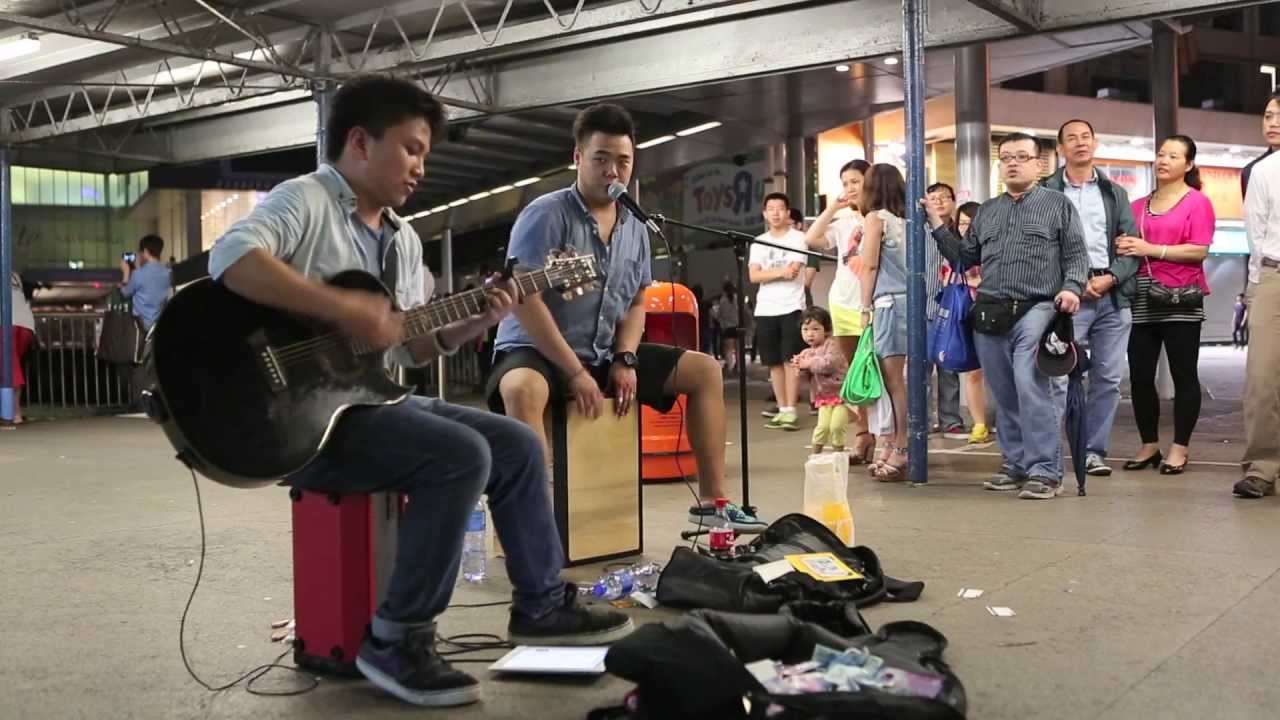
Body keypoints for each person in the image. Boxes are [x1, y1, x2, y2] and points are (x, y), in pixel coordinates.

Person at [206, 76, 632, 708]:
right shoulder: (307, 200)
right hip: (301, 418)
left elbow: (406, 347)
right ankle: (397, 638)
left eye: (425, 154)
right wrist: (342, 307)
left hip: (371, 401)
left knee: (514, 442)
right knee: (460, 454)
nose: (419, 167)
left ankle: (540, 604)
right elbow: (231, 257)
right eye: (410, 149)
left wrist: (479, 318)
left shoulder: (403, 241)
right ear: (358, 142)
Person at [487, 103, 768, 534]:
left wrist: (625, 358)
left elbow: (637, 301)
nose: (612, 172)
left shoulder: (635, 225)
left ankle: (712, 503)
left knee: (705, 370)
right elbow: (524, 299)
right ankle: (536, 524)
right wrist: (575, 371)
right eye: (601, 160)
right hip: (536, 350)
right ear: (578, 158)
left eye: (623, 162)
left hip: (601, 351)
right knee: (522, 388)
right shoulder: (546, 214)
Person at [925, 132, 1088, 500]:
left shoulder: (1058, 205)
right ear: (1000, 166)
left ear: (1037, 164)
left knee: (1031, 387)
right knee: (1004, 394)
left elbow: (1077, 255)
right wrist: (937, 224)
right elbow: (966, 258)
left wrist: (1072, 288)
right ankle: (1015, 465)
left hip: (1039, 307)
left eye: (1021, 157)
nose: (1013, 163)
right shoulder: (988, 211)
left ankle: (1046, 471)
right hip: (990, 311)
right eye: (1007, 157)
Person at [1043, 118, 1142, 478]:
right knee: (1056, 377)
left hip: (1111, 297)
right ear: (1060, 149)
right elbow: (1041, 248)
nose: (1080, 143)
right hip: (1066, 296)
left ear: (1095, 144)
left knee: (1108, 379)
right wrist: (1071, 282)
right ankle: (1048, 453)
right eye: (1072, 138)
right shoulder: (1047, 191)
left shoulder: (1115, 193)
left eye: (1086, 137)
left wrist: (1111, 278)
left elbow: (1131, 247)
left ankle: (1093, 451)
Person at [1120, 135, 1214, 476]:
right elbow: (1129, 246)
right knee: (1140, 375)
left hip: (1181, 296)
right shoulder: (1137, 205)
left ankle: (1180, 447)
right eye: (1161, 154)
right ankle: (1149, 445)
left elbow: (1199, 250)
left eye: (1173, 156)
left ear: (1187, 165)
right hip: (1142, 295)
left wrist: (1151, 249)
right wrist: (1126, 245)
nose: (1164, 161)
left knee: (1183, 374)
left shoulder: (1197, 202)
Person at [803, 159, 876, 463]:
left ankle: (883, 437)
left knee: (877, 374)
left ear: (869, 181)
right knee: (852, 377)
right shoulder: (844, 218)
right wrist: (833, 208)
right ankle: (862, 436)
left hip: (872, 302)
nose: (850, 188)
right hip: (844, 303)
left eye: (855, 181)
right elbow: (812, 239)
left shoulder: (880, 217)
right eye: (845, 183)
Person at [1235, 93, 1280, 499]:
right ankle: (1263, 466)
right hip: (1273, 277)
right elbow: (1256, 234)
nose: (1273, 122)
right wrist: (1254, 291)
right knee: (1262, 378)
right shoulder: (1262, 171)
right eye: (1268, 115)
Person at [857, 163, 912, 481]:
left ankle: (901, 446)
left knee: (893, 382)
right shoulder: (908, 220)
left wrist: (864, 308)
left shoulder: (875, 219)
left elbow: (869, 267)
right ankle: (894, 443)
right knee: (902, 380)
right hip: (912, 303)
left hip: (888, 303)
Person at [750, 192, 809, 431]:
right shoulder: (758, 242)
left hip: (792, 306)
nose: (775, 213)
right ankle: (782, 408)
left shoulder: (798, 238)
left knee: (790, 360)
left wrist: (771, 274)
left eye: (780, 208)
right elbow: (754, 276)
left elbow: (794, 271)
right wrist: (780, 273)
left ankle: (791, 410)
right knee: (773, 362)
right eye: (770, 208)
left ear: (787, 213)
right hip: (765, 308)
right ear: (765, 214)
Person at [926, 182, 967, 440]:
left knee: (948, 362)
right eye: (934, 198)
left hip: (952, 305)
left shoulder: (961, 231)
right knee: (922, 367)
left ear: (953, 201)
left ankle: (950, 419)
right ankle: (925, 419)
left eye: (944, 197)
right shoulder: (920, 229)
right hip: (927, 302)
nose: (940, 202)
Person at [954, 202, 990, 444]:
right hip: (964, 315)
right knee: (973, 372)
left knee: (998, 371)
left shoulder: (992, 246)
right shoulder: (955, 250)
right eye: (962, 223)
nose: (965, 228)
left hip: (991, 313)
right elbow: (947, 277)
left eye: (970, 223)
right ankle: (979, 423)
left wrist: (977, 283)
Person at [791, 307, 849, 454]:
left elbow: (829, 364)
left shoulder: (832, 345)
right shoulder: (806, 352)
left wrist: (808, 363)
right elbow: (805, 378)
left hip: (842, 394)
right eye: (805, 329)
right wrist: (800, 369)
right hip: (823, 397)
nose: (810, 333)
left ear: (827, 330)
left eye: (815, 329)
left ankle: (838, 455)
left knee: (836, 426)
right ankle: (815, 454)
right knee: (822, 427)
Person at [119, 234, 172, 332]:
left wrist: (126, 272)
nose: (140, 255)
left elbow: (125, 293)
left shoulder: (138, 274)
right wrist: (138, 268)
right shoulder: (167, 272)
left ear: (146, 252)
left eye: (141, 252)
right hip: (159, 326)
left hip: (141, 328)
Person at [3, 271, 35, 428]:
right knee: (10, 366)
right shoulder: (13, 274)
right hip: (26, 324)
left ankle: (13, 414)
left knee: (9, 369)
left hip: (6, 322)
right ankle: (13, 412)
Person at [717, 280, 740, 373]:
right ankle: (738, 367)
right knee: (738, 349)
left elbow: (719, 314)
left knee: (728, 350)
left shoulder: (723, 300)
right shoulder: (736, 298)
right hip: (737, 326)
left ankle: (729, 367)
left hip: (727, 327)